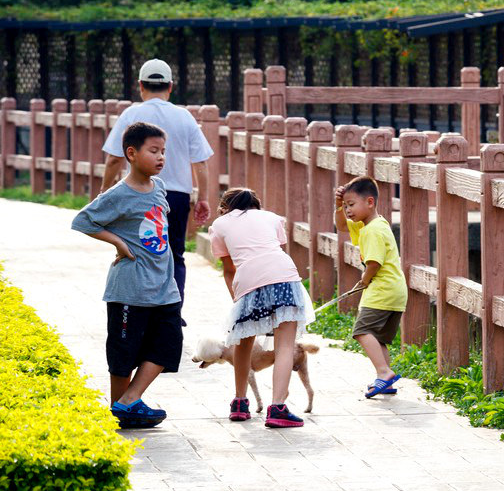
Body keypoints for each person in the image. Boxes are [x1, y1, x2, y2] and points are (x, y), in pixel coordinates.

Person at [72, 122, 183, 428]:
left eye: (163, 151)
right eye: (154, 151)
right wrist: (119, 241)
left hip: (164, 286)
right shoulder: (120, 193)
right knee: (124, 354)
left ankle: (127, 402)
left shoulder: (159, 187)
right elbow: (83, 220)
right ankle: (121, 413)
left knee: (169, 344)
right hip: (130, 288)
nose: (161, 157)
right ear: (131, 154)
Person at [101, 58, 213, 317]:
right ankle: (172, 313)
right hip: (176, 196)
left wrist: (104, 194)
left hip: (137, 193)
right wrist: (203, 198)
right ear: (170, 86)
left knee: (136, 250)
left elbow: (114, 159)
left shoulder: (131, 114)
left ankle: (139, 308)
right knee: (174, 253)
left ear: (140, 85)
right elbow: (201, 162)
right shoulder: (184, 116)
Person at [208, 187, 315, 428]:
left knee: (244, 341)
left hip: (248, 281)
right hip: (284, 277)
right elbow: (274, 252)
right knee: (285, 345)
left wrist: (238, 301)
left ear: (225, 208)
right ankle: (277, 408)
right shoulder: (273, 218)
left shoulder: (220, 224)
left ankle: (239, 403)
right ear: (256, 205)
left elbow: (229, 269)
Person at [334, 176, 407, 398]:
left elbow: (374, 262)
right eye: (345, 206)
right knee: (379, 337)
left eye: (351, 205)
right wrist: (338, 206)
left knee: (362, 331)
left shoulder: (372, 230)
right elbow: (340, 227)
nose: (348, 210)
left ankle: (384, 372)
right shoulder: (372, 224)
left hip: (381, 289)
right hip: (395, 290)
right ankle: (387, 380)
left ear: (370, 202)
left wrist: (365, 280)